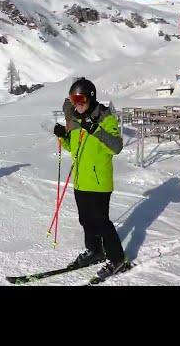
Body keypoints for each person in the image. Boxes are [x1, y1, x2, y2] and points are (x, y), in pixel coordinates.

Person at [53, 78, 130, 281]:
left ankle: (117, 259)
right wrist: (63, 137)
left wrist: (94, 128)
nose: (76, 104)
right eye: (73, 100)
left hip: (99, 182)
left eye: (80, 99)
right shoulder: (78, 120)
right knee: (85, 220)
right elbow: (74, 149)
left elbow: (116, 147)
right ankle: (94, 251)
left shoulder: (106, 119)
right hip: (81, 180)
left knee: (102, 222)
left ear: (91, 98)